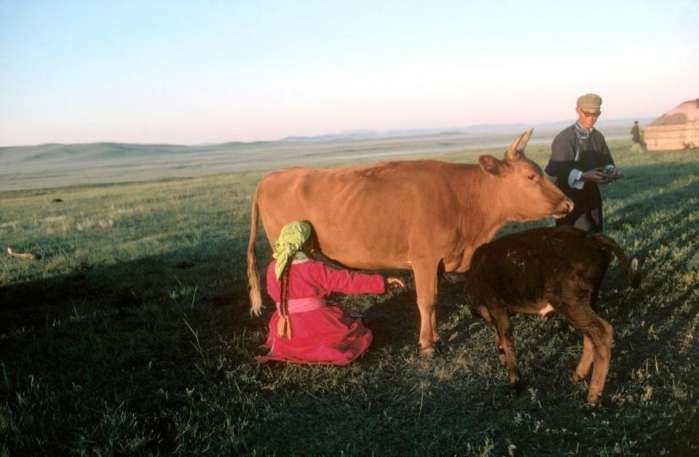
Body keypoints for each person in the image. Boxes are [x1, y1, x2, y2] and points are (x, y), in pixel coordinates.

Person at [256, 220, 405, 365]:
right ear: (307, 245)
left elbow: (273, 293)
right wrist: (382, 282)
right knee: (355, 334)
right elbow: (348, 281)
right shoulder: (314, 268)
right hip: (316, 324)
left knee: (292, 336)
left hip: (285, 327)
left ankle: (289, 347)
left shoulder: (272, 269)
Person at [545, 93, 621, 232]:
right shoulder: (565, 138)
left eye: (596, 114)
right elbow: (557, 169)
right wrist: (583, 175)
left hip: (591, 192)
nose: (592, 118)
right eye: (588, 114)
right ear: (578, 110)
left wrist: (611, 170)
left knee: (596, 230)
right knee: (575, 234)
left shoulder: (597, 136)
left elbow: (607, 160)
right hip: (568, 196)